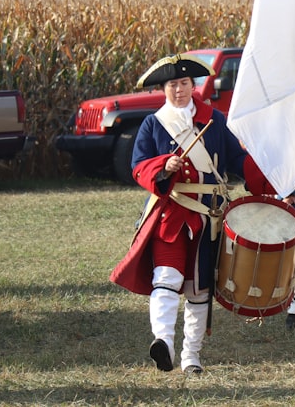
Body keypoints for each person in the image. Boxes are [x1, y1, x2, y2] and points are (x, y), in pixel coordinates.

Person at [109, 53, 255, 375]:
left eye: (185, 83)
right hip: (171, 215)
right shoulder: (153, 123)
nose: (179, 90)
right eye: (173, 85)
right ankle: (163, 342)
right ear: (164, 89)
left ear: (193, 86)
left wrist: (263, 177)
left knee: (198, 288)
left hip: (208, 218)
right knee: (167, 278)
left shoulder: (214, 120)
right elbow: (138, 166)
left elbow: (236, 160)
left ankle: (192, 356)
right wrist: (163, 166)